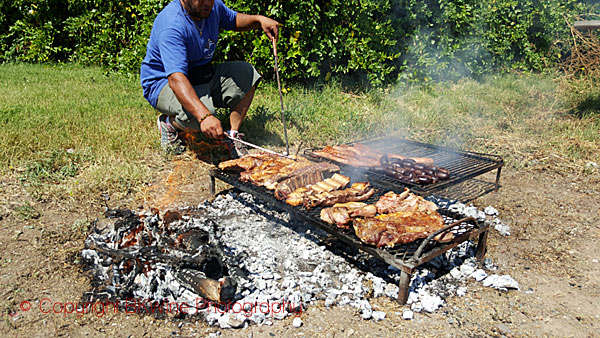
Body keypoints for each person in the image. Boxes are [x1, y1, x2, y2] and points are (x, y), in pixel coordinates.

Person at [140, 0, 279, 156]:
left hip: (201, 75)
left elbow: (233, 20)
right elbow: (176, 79)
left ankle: (232, 136)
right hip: (163, 83)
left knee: (246, 73)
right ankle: (169, 124)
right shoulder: (172, 25)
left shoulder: (212, 7)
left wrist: (259, 20)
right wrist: (204, 116)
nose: (208, 3)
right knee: (199, 116)